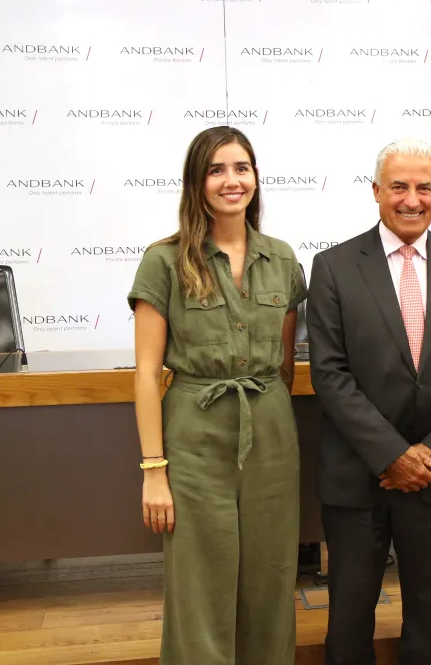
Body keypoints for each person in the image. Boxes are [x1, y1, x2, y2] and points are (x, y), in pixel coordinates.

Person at [306, 138, 431, 665]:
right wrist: (393, 455)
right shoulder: (334, 266)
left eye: (424, 187)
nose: (412, 199)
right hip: (356, 476)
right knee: (348, 617)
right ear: (375, 192)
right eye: (399, 186)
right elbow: (329, 373)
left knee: (429, 614)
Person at [128, 126, 307, 665]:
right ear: (196, 182)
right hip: (194, 436)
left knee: (272, 578)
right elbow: (144, 374)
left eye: (242, 168)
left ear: (256, 177)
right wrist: (154, 469)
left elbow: (283, 362)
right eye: (217, 170)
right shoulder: (163, 261)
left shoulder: (281, 259)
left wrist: (273, 415)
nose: (232, 181)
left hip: (271, 434)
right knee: (199, 582)